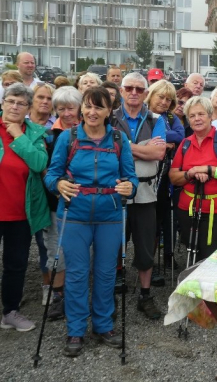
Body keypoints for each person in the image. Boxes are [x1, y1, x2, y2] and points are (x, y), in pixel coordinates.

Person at [45, 87, 138, 357]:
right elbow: (51, 175)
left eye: (99, 107)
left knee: (107, 273)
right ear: (80, 109)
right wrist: (59, 183)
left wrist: (128, 188)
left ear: (110, 111)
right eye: (87, 106)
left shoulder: (119, 139)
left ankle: (103, 325)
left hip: (109, 216)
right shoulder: (67, 137)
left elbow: (130, 178)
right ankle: (75, 329)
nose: (92, 112)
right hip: (74, 215)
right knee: (76, 273)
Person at [168, 96, 217, 326]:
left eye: (201, 114)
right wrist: (190, 174)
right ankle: (199, 307)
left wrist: (209, 170)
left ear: (211, 116)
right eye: (192, 115)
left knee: (216, 256)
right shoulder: (186, 143)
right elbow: (174, 176)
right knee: (194, 252)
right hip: (189, 207)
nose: (197, 118)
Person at [111, 72, 167, 319]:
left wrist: (124, 147)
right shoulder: (110, 118)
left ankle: (145, 296)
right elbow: (106, 151)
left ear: (146, 93)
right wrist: (143, 148)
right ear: (121, 91)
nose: (134, 93)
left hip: (145, 192)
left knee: (145, 247)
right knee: (111, 246)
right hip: (115, 192)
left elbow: (159, 154)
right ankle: (108, 297)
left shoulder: (156, 119)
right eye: (129, 88)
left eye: (139, 89)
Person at [0, 83, 50, 332]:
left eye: (21, 103)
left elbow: (40, 162)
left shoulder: (35, 132)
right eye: (10, 101)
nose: (15, 106)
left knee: (16, 264)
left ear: (28, 108)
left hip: (20, 212)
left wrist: (18, 136)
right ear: (3, 103)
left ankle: (10, 312)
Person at [42, 87, 83, 321]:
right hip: (57, 203)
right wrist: (57, 187)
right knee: (57, 252)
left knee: (81, 253)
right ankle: (59, 298)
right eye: (61, 109)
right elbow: (46, 170)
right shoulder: (50, 135)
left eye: (71, 108)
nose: (66, 113)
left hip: (84, 204)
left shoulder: (90, 131)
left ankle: (78, 295)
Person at [144, 80, 185, 270]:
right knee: (149, 221)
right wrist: (158, 140)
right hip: (145, 172)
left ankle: (167, 255)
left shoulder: (171, 117)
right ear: (151, 95)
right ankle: (147, 261)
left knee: (166, 217)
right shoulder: (143, 114)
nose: (164, 102)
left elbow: (180, 135)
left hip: (165, 174)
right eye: (161, 97)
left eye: (169, 99)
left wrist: (161, 137)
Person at [27, 83, 57, 304]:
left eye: (49, 98)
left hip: (45, 191)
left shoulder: (54, 127)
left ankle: (48, 284)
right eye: (41, 97)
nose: (45, 101)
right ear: (32, 100)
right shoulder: (22, 124)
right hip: (22, 187)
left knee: (45, 242)